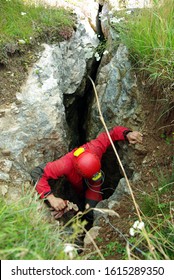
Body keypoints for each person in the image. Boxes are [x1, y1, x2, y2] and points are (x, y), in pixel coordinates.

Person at [31, 126, 143, 220]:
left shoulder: (94, 148)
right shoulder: (65, 164)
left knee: (92, 212)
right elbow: (38, 173)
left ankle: (89, 219)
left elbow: (111, 133)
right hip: (79, 186)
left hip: (94, 185)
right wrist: (51, 198)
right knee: (81, 202)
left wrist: (127, 133)